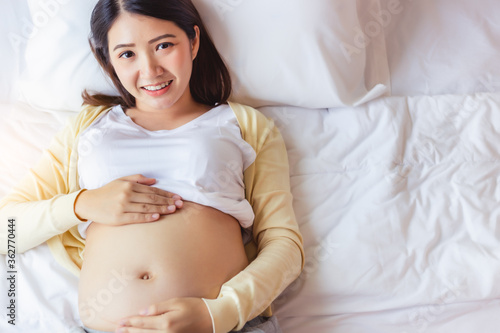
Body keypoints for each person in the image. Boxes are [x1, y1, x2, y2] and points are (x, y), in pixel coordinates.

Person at [0, 0, 304, 332]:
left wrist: (218, 314)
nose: (150, 70)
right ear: (109, 61)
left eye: (163, 45)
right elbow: (7, 230)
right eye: (127, 54)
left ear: (193, 41)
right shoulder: (88, 129)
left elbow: (284, 245)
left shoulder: (246, 125)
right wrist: (81, 204)